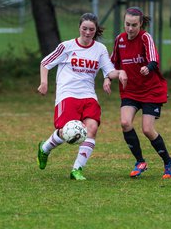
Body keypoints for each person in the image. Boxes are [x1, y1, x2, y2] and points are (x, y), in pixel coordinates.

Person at [37, 13, 127, 180]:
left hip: (88, 96)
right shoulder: (67, 47)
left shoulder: (100, 49)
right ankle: (45, 148)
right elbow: (45, 63)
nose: (87, 32)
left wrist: (120, 72)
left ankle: (76, 170)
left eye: (91, 29)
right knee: (65, 133)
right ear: (79, 28)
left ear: (95, 30)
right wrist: (44, 83)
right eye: (84, 28)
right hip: (67, 94)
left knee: (91, 129)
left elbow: (109, 71)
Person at [106, 6, 171, 179]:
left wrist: (148, 67)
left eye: (134, 25)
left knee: (147, 129)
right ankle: (140, 162)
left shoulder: (145, 37)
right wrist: (108, 78)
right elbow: (113, 63)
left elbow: (154, 59)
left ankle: (168, 161)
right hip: (130, 91)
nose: (130, 29)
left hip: (151, 91)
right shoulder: (119, 40)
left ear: (141, 24)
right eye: (127, 24)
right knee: (125, 123)